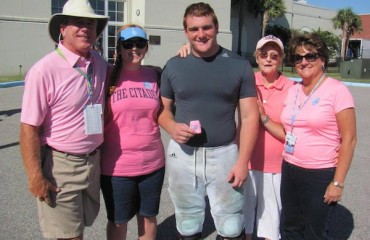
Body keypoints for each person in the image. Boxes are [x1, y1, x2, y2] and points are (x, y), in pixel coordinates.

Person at [159, 2, 259, 240]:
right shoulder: (174, 65)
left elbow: (249, 116)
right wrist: (172, 126)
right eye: (194, 29)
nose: (201, 34)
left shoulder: (239, 65)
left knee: (231, 224)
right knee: (187, 221)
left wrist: (243, 161)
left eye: (206, 27)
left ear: (216, 27)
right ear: (185, 32)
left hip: (224, 154)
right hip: (183, 155)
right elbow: (161, 110)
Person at [19, 0, 109, 239]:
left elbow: (128, 70)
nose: (85, 28)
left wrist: (183, 55)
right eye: (78, 23)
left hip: (94, 163)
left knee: (82, 227)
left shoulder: (98, 63)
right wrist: (35, 176)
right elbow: (28, 128)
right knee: (68, 236)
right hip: (61, 166)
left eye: (90, 23)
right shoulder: (44, 70)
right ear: (62, 28)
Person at [279, 33, 357, 239]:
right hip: (289, 168)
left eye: (310, 56)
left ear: (322, 59)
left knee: (314, 231)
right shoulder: (293, 89)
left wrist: (338, 182)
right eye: (298, 57)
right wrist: (264, 119)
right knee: (290, 227)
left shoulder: (337, 91)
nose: (303, 62)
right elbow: (289, 130)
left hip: (320, 172)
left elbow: (349, 139)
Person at [100, 24, 165, 240]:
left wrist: (185, 53)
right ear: (119, 48)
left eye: (140, 43)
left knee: (148, 217)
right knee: (119, 221)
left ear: (146, 48)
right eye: (128, 44)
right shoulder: (107, 76)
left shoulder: (155, 75)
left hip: (153, 164)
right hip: (117, 167)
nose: (134, 48)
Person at [243, 35, 295, 240]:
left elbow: (289, 135)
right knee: (244, 217)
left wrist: (263, 117)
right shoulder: (246, 81)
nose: (268, 58)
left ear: (281, 59)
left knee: (270, 220)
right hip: (245, 162)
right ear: (256, 57)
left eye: (274, 55)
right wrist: (187, 50)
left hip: (275, 166)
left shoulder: (292, 88)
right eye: (263, 54)